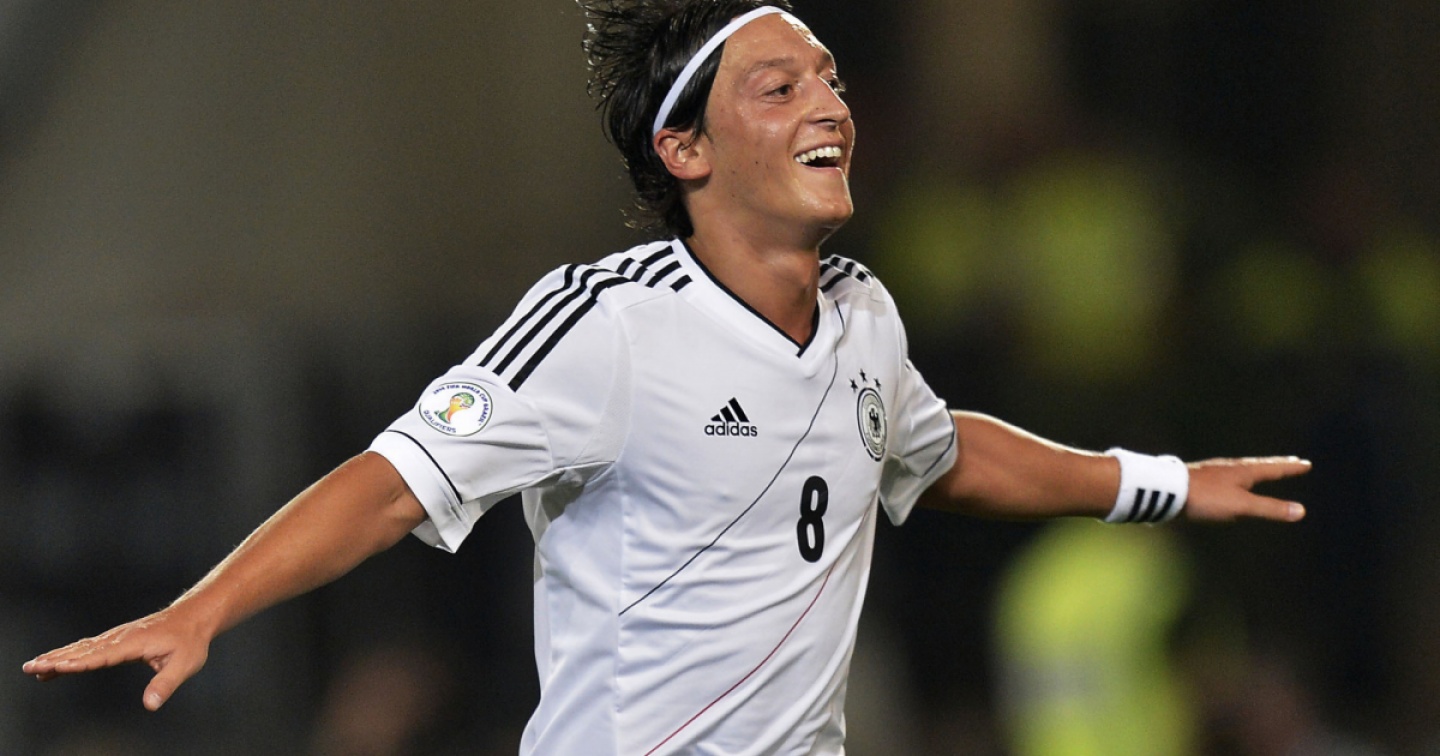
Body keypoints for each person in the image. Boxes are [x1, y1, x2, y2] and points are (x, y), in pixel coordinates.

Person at [22, 2, 1310, 753]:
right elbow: (395, 480)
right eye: (780, 86)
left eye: (830, 79)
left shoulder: (865, 316)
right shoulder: (607, 325)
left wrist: (1160, 483)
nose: (831, 105)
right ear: (684, 147)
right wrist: (205, 607)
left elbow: (942, 452)